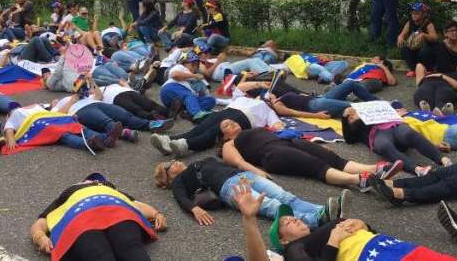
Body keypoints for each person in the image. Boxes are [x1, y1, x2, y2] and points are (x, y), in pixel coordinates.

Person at [232, 182, 457, 261]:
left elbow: (369, 231)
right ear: (282, 240)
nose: (294, 219)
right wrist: (333, 240)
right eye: (287, 223)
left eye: (293, 216)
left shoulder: (322, 230)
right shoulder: (294, 250)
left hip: (392, 246)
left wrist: (363, 223)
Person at [154, 157, 350, 228]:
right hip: (228, 188)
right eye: (170, 165)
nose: (176, 162)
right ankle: (317, 221)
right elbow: (180, 197)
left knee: (285, 196)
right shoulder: (179, 181)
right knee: (272, 206)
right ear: (168, 176)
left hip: (243, 176)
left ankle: (326, 211)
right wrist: (194, 208)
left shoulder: (198, 162)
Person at [220, 123, 400, 190]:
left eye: (232, 121)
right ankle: (359, 180)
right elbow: (237, 161)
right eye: (226, 125)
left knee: (331, 157)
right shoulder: (229, 144)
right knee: (316, 166)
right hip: (272, 154)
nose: (232, 123)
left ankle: (376, 169)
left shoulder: (254, 128)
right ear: (225, 136)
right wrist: (255, 172)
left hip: (287, 143)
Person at [29, 172, 166, 261]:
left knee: (130, 248)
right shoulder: (68, 195)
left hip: (115, 213)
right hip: (83, 219)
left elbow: (135, 204)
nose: (91, 181)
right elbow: (41, 223)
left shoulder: (112, 191)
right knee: (99, 255)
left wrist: (156, 214)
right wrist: (41, 238)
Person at [150, 80, 285, 158]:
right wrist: (260, 84)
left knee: (212, 132)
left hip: (243, 119)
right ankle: (168, 142)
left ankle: (186, 145)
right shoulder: (243, 97)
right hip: (226, 112)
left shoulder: (268, 110)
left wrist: (279, 108)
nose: (268, 96)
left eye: (271, 97)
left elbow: (278, 126)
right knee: (199, 129)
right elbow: (240, 87)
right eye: (267, 95)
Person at [342, 106, 450, 176]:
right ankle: (417, 169)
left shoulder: (367, 109)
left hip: (393, 126)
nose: (352, 116)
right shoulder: (356, 127)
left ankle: (442, 159)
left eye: (353, 114)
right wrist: (346, 119)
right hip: (377, 135)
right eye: (349, 118)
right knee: (384, 146)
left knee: (409, 133)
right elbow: (349, 139)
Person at [3, 103, 112, 153]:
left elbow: (9, 128)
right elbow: (51, 110)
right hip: (51, 119)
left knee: (62, 134)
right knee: (75, 128)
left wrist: (11, 139)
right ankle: (103, 138)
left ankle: (94, 142)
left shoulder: (14, 114)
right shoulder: (34, 106)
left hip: (42, 122)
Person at [269, 80, 380, 119]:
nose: (270, 95)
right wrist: (317, 116)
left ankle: (376, 102)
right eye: (268, 97)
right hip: (316, 106)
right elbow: (295, 113)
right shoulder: (277, 106)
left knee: (350, 84)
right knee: (351, 106)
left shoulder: (280, 97)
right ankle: (383, 109)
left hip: (320, 98)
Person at [159, 51, 215, 122]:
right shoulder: (181, 67)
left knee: (211, 100)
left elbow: (206, 93)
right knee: (188, 95)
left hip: (183, 100)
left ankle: (185, 112)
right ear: (185, 63)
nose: (194, 67)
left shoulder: (195, 79)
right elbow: (174, 75)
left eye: (196, 65)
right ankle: (197, 113)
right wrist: (194, 75)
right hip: (170, 88)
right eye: (192, 64)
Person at [397, 2, 439, 75]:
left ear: (423, 14)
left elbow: (435, 38)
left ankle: (428, 69)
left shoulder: (428, 24)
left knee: (424, 50)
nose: (414, 15)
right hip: (414, 48)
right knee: (403, 47)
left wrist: (424, 35)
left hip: (426, 49)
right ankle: (413, 69)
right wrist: (400, 37)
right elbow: (402, 34)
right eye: (413, 13)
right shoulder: (409, 23)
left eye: (417, 13)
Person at [100, 81, 168, 120]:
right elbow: (99, 98)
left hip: (128, 91)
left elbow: (122, 82)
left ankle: (169, 112)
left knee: (150, 104)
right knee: (136, 109)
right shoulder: (93, 95)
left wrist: (131, 89)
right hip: (115, 98)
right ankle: (155, 118)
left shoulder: (112, 84)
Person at [284, 53, 349, 84]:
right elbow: (284, 69)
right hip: (308, 66)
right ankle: (332, 79)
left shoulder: (303, 54)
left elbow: (316, 57)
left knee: (344, 63)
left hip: (322, 63)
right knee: (321, 69)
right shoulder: (288, 61)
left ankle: (325, 77)